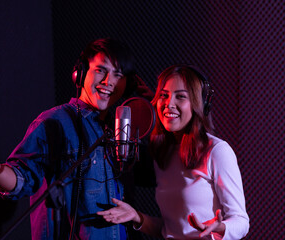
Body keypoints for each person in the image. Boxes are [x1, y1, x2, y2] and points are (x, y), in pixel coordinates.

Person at [0, 38, 146, 240]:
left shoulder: (122, 130)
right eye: (101, 70)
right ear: (80, 73)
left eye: (117, 75)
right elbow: (19, 181)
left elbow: (162, 175)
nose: (108, 81)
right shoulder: (54, 122)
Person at [97, 64, 250, 239]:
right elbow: (170, 230)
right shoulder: (162, 152)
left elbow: (241, 221)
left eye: (180, 97)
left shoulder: (217, 151)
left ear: (198, 103)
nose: (169, 104)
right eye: (164, 95)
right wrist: (137, 217)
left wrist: (220, 227)